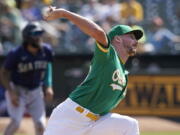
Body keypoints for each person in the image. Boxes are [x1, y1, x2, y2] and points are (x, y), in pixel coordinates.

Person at [43, 6, 143, 135]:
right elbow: (98, 33)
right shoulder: (108, 56)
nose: (135, 41)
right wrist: (64, 13)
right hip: (71, 117)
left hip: (95, 122)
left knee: (129, 125)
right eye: (131, 37)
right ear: (118, 38)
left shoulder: (123, 73)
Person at [0, 21, 54, 135]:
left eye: (40, 34)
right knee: (16, 122)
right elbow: (3, 73)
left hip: (35, 90)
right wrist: (11, 92)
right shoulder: (16, 53)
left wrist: (48, 85)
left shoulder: (46, 50)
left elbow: (48, 65)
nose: (39, 37)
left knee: (41, 124)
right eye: (36, 34)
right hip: (18, 90)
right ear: (27, 38)